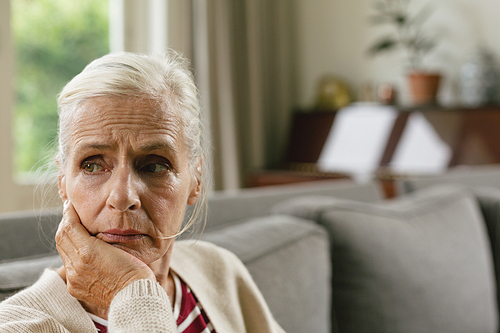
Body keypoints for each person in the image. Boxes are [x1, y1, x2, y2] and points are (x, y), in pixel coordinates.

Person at [0, 52, 284, 333]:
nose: (122, 197)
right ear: (63, 181)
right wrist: (130, 288)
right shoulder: (17, 326)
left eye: (154, 166)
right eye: (92, 165)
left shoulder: (218, 270)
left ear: (195, 179)